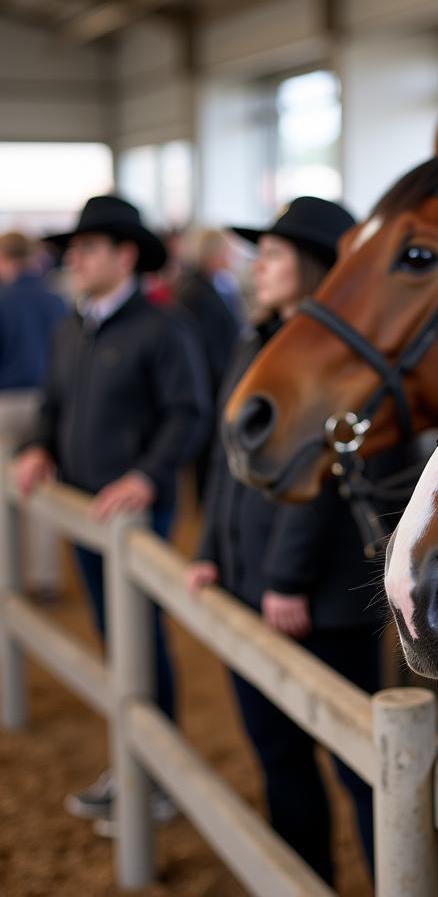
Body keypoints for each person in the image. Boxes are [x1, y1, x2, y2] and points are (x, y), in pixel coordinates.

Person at [186, 198, 388, 888]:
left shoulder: (335, 351)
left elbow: (322, 472)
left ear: (313, 267)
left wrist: (286, 579)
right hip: (252, 583)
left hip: (318, 600)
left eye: (272, 254)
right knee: (278, 754)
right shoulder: (255, 339)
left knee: (362, 773)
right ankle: (304, 880)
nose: (258, 265)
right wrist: (212, 548)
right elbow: (226, 463)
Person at [13, 195, 210, 834]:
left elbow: (190, 413)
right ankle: (132, 764)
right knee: (111, 633)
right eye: (74, 248)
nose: (75, 257)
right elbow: (52, 401)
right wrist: (37, 446)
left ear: (126, 256)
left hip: (134, 517)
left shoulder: (163, 326)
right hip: (82, 512)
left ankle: (159, 777)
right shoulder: (73, 326)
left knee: (141, 637)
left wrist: (147, 476)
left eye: (89, 246)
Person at [0, 232, 68, 600]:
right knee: (41, 489)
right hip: (47, 403)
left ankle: (7, 575)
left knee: (5, 491)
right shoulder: (55, 298)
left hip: (6, 402)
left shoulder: (3, 297)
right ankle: (46, 577)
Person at [176, 229, 243, 500]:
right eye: (228, 252)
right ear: (213, 255)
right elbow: (202, 348)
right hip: (209, 384)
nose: (232, 258)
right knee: (207, 456)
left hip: (219, 381)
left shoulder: (217, 286)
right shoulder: (195, 293)